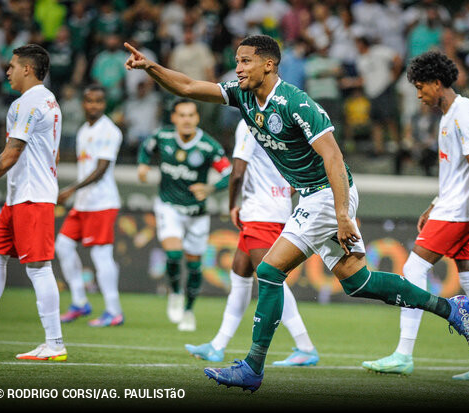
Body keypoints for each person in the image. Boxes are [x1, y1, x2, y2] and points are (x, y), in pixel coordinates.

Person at [124, 34, 469, 393]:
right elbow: (186, 85)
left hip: (328, 193)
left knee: (268, 270)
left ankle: (252, 367)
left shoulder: (295, 103)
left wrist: (342, 215)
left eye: (246, 61)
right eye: (237, 61)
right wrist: (150, 66)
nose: (238, 68)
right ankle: (452, 310)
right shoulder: (243, 94)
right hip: (312, 196)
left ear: (269, 64)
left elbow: (334, 158)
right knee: (359, 282)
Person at [361, 51, 469, 381]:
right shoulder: (449, 114)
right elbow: (455, 173)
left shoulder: (463, 113)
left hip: (460, 212)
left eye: (421, 86)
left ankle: (403, 354)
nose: (418, 93)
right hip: (453, 207)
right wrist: (434, 204)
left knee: (413, 267)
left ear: (437, 83)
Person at [185, 119, 319, 366]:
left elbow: (237, 172)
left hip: (260, 214)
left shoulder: (248, 123)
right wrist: (277, 193)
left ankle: (306, 347)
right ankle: (217, 345)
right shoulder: (284, 124)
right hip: (270, 210)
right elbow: (302, 167)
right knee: (240, 276)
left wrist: (232, 205)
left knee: (271, 279)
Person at [0, 44, 67, 360]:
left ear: (27, 69)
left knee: (39, 268)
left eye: (12, 66)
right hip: (20, 196)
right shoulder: (48, 101)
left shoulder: (28, 104)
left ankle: (55, 343)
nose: (7, 71)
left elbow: (10, 155)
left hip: (32, 197)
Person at [137, 99, 231, 332]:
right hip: (169, 206)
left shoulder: (209, 146)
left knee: (194, 267)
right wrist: (142, 165)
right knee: (174, 252)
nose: (187, 120)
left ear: (197, 118)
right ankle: (175, 293)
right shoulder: (163, 137)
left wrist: (210, 188)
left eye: (191, 115)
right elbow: (145, 148)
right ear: (174, 118)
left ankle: (189, 310)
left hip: (197, 213)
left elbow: (229, 174)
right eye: (182, 115)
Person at [55, 84, 124, 327]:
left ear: (104, 104)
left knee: (100, 254)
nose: (93, 105)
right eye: (89, 100)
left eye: (98, 101)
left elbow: (101, 170)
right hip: (83, 203)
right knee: (62, 246)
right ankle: (79, 302)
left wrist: (71, 189)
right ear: (83, 103)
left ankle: (114, 310)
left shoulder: (110, 131)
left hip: (102, 202)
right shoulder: (84, 130)